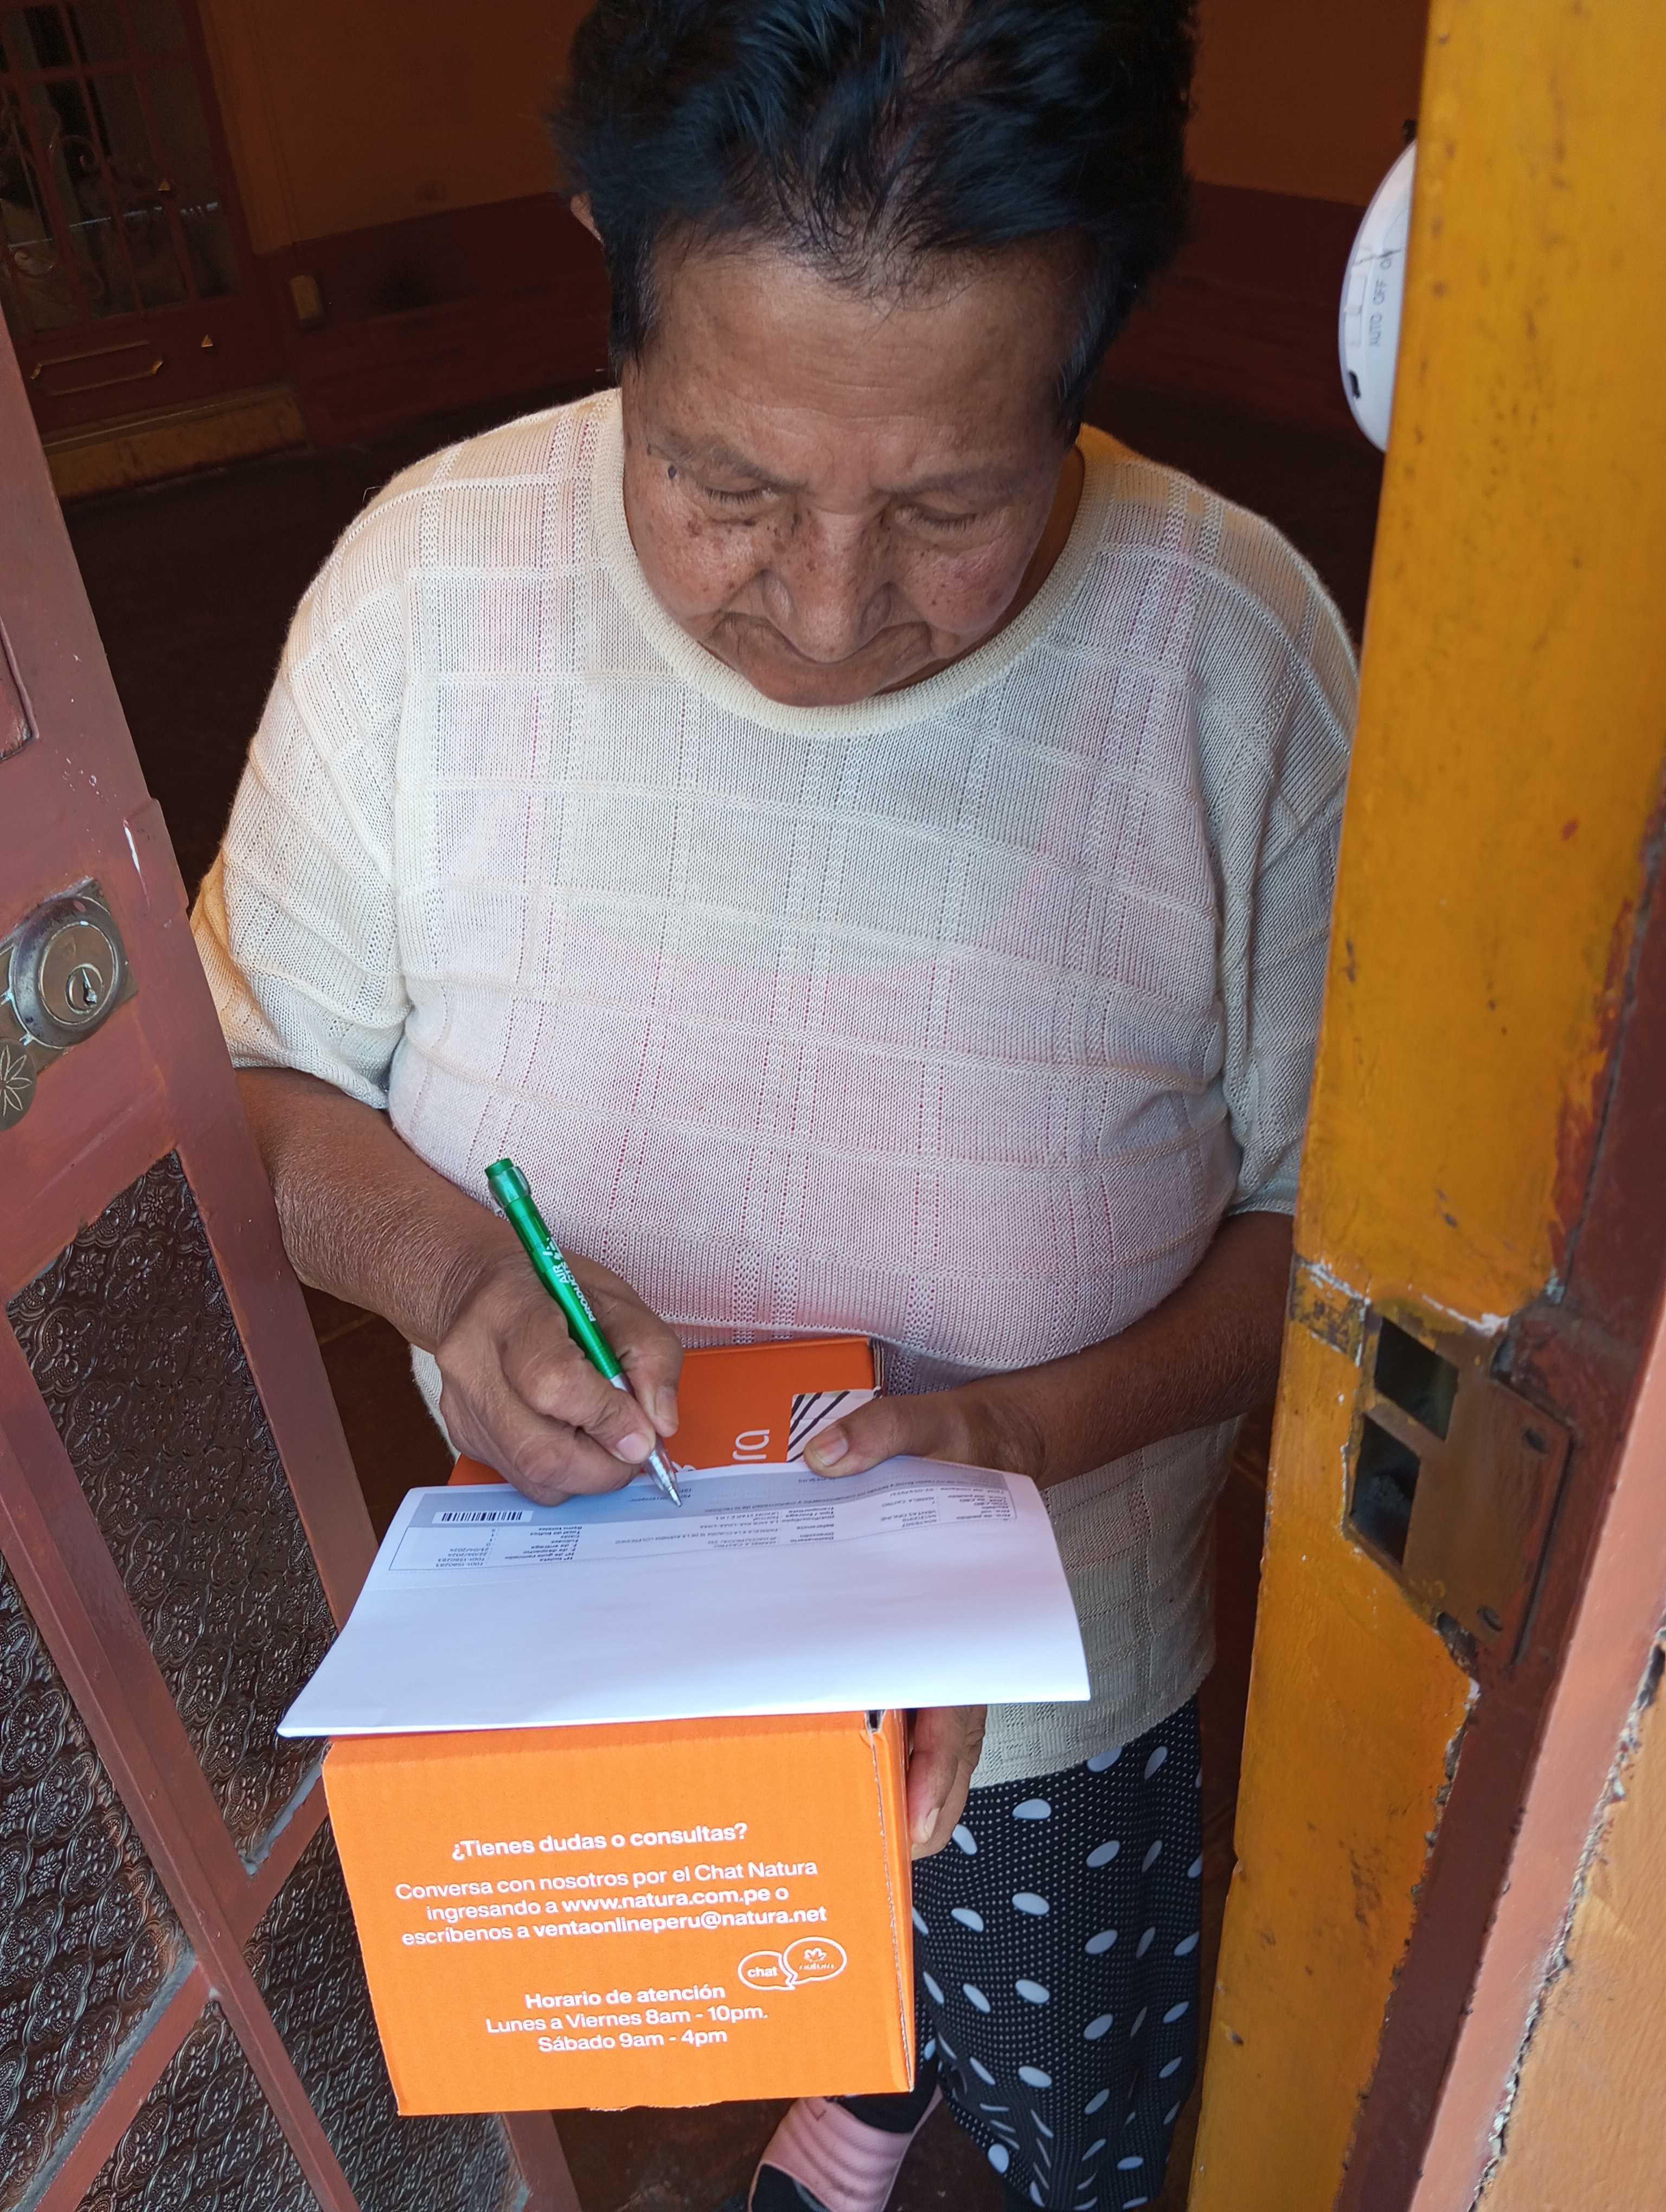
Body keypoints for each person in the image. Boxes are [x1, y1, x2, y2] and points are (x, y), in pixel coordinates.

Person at [191, 2, 1356, 2205]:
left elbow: (1340, 1244)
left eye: (951, 504)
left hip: (1050, 1725)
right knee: (715, 2038)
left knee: (1079, 2129)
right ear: (610, 276)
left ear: (1092, 354)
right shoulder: (427, 594)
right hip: (607, 1683)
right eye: (723, 485)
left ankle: (906, 2090)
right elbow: (245, 1087)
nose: (826, 612)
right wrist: (453, 1276)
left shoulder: (1236, 660)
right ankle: (860, 2087)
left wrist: (1037, 1432)